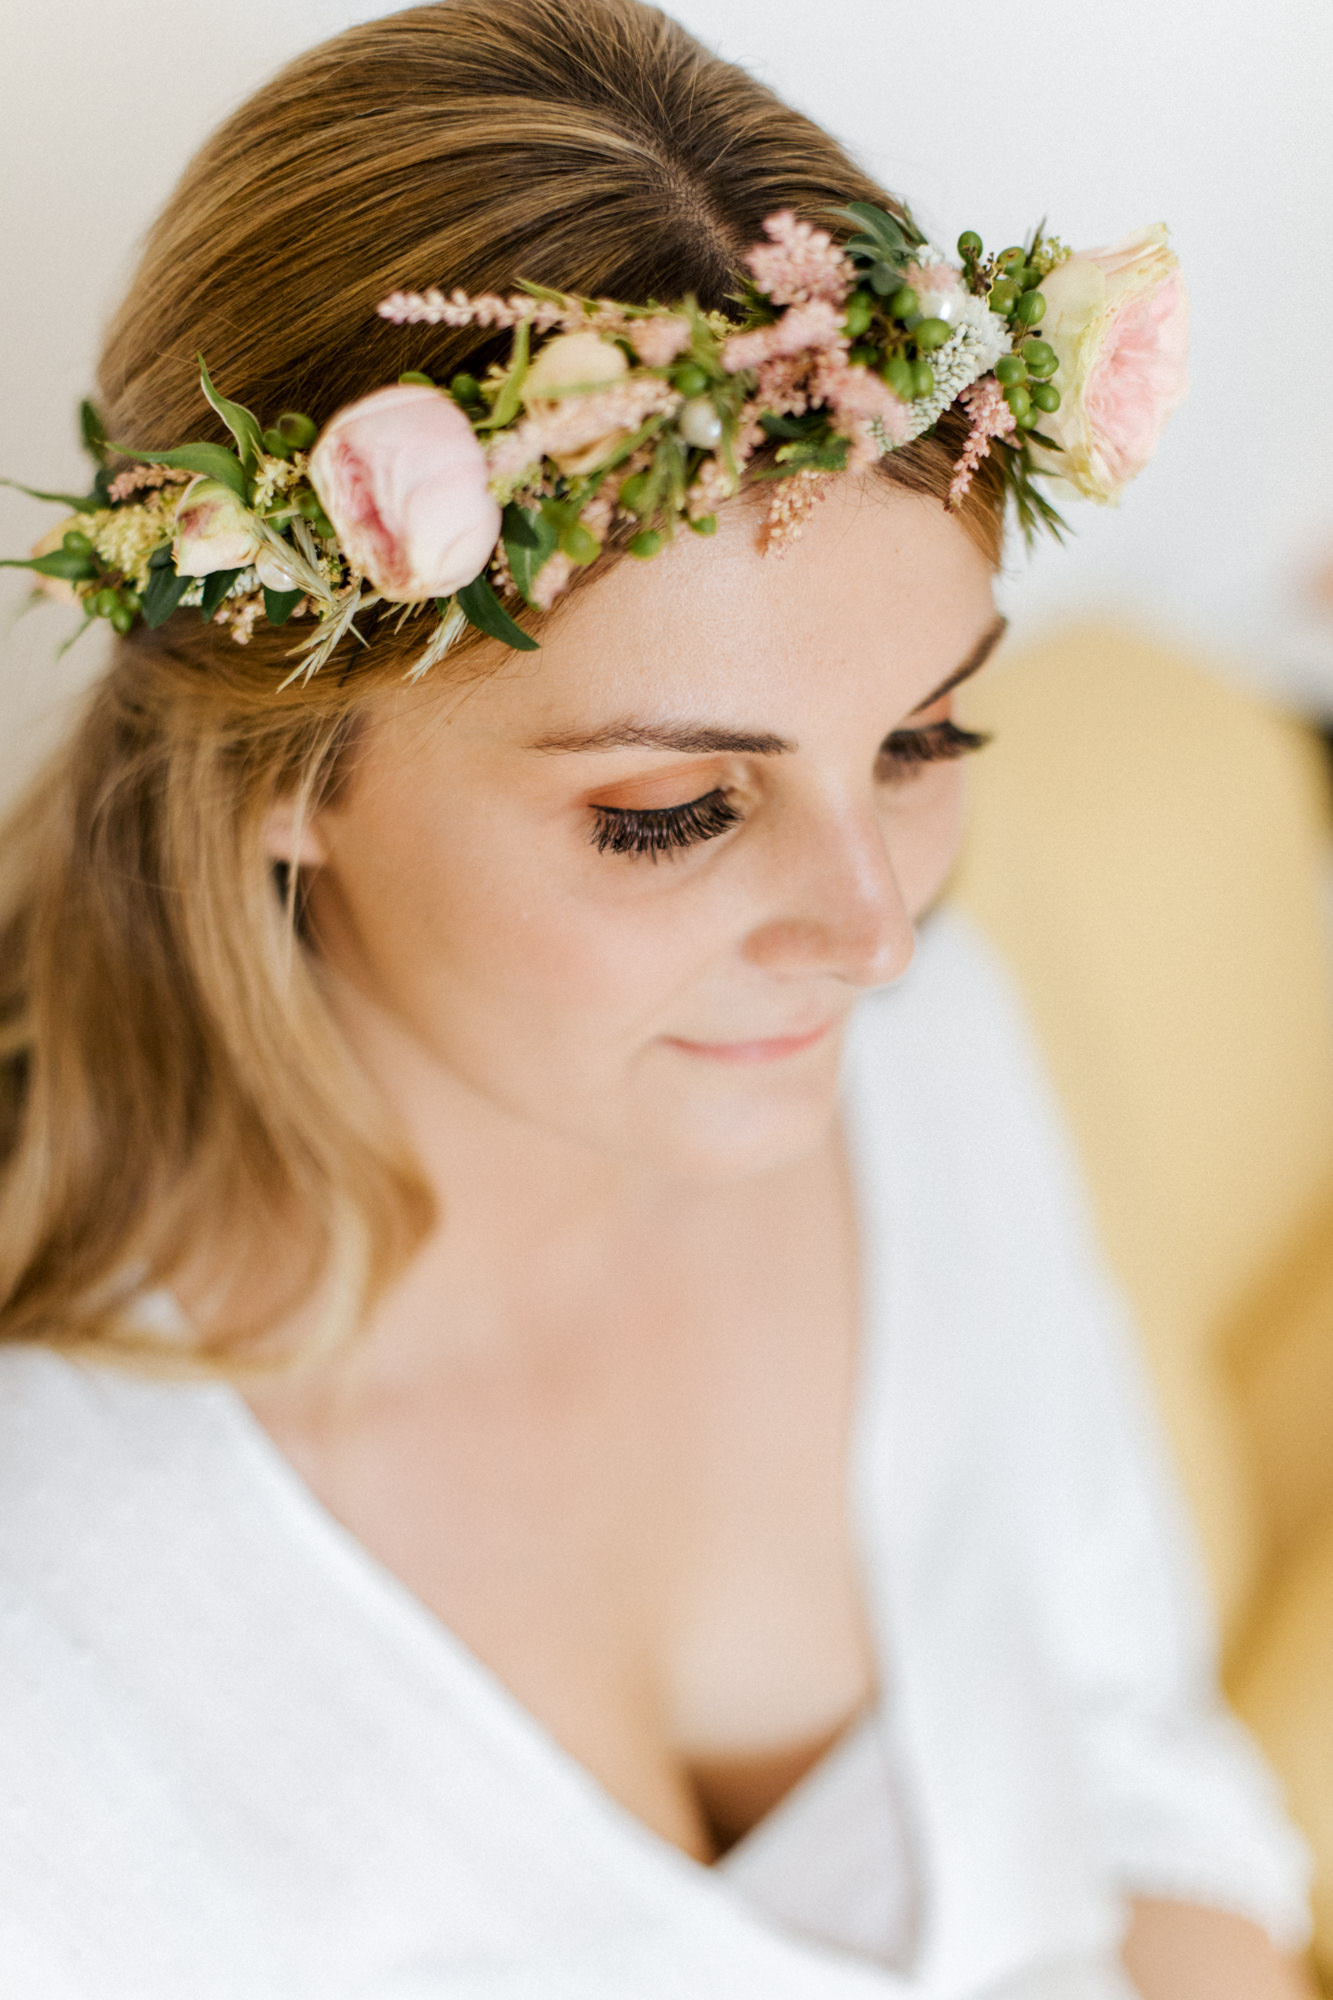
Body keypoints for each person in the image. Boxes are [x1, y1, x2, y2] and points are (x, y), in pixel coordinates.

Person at [0, 2, 1314, 1994]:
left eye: (922, 740)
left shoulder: (917, 1057)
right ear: (283, 766)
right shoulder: (59, 1615)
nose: (870, 924)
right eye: (678, 811)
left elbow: (1149, 1791)